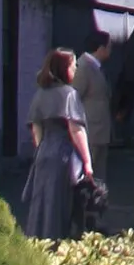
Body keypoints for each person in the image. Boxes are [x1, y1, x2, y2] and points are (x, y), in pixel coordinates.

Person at [20, 47, 95, 239]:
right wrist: (87, 162)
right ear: (64, 68)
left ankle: (38, 242)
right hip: (64, 154)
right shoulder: (70, 94)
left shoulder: (40, 94)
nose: (76, 68)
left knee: (42, 203)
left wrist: (43, 148)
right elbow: (76, 129)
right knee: (61, 204)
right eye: (73, 65)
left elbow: (36, 130)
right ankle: (58, 244)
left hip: (44, 152)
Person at [73, 43, 114, 185]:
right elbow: (75, 97)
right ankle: (84, 204)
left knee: (99, 172)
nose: (111, 50)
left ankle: (97, 202)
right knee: (88, 171)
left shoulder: (97, 67)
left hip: (101, 129)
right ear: (100, 48)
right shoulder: (84, 67)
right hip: (90, 128)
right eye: (109, 46)